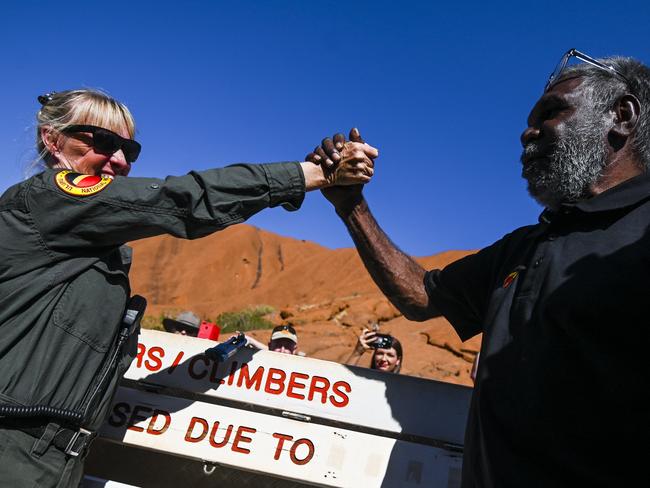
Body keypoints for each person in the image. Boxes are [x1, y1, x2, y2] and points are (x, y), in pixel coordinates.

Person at [0, 88, 378, 487]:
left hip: (55, 457)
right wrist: (311, 174)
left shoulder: (88, 243)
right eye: (104, 142)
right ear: (52, 139)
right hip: (16, 449)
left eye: (130, 149)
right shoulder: (49, 199)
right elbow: (178, 200)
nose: (119, 160)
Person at [309, 50, 650, 487]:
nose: (528, 132)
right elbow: (422, 297)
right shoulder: (527, 246)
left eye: (551, 112)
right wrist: (350, 205)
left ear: (621, 115)